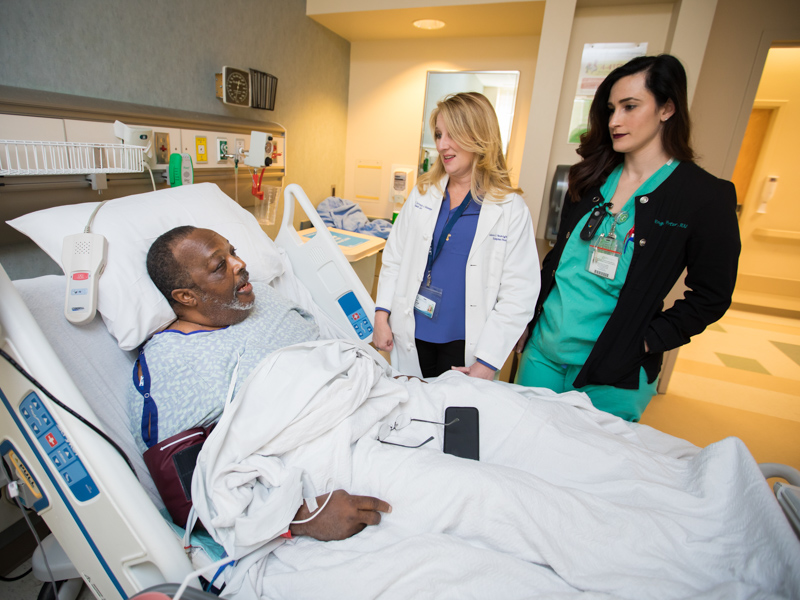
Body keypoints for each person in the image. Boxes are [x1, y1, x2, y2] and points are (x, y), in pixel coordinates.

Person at [128, 225, 391, 541]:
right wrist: (299, 519)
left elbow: (327, 351)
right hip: (333, 462)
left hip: (380, 405)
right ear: (186, 296)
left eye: (233, 252)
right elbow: (190, 500)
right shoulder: (172, 364)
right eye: (219, 265)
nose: (239, 264)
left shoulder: (262, 294)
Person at [515, 54, 741, 421]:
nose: (615, 120)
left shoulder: (703, 197)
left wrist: (648, 341)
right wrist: (527, 320)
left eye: (630, 107)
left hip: (615, 372)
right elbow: (559, 261)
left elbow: (712, 295)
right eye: (611, 109)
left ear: (667, 108)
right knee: (520, 452)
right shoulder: (588, 178)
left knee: (588, 471)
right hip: (544, 353)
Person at [373, 92, 539, 380]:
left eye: (453, 134)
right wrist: (380, 315)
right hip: (411, 331)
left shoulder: (509, 208)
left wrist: (486, 364)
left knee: (453, 420)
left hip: (467, 345)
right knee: (410, 414)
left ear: (479, 136)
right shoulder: (424, 193)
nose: (441, 144)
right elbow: (394, 259)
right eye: (438, 134)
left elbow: (519, 293)